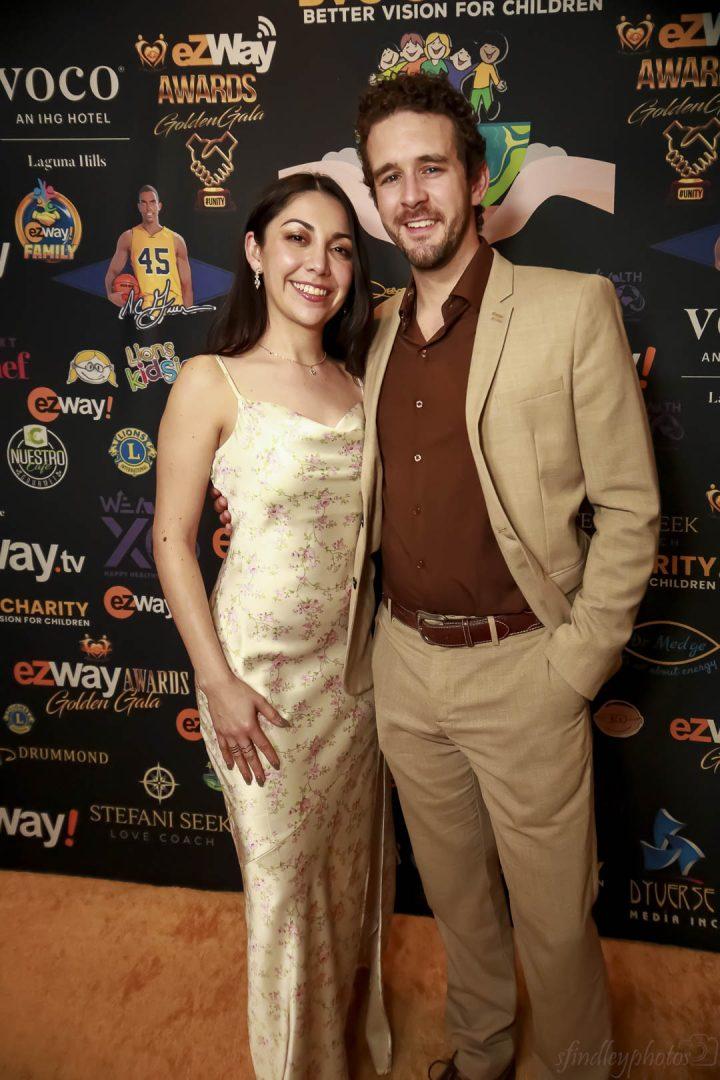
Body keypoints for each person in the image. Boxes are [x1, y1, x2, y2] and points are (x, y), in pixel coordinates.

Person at [216, 75, 660, 1079]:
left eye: (430, 169)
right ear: (374, 199)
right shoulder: (366, 331)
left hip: (527, 670)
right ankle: (481, 1051)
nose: (411, 196)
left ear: (475, 178)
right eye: (389, 178)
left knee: (555, 921)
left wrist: (576, 665)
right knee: (459, 902)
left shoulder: (571, 308)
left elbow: (632, 509)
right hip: (404, 673)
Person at [154, 172, 392, 1080]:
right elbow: (172, 540)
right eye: (296, 238)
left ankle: (343, 1054)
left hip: (356, 684)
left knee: (345, 883)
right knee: (284, 897)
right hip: (257, 684)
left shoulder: (363, 380)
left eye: (340, 248)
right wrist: (217, 683)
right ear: (255, 251)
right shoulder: (209, 380)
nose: (318, 264)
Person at [105, 184, 193, 309]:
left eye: (152, 202)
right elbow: (112, 272)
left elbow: (187, 285)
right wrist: (110, 294)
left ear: (159, 206)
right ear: (139, 207)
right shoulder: (129, 237)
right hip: (146, 309)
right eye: (144, 203)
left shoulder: (176, 240)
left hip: (174, 307)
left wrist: (187, 315)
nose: (148, 207)